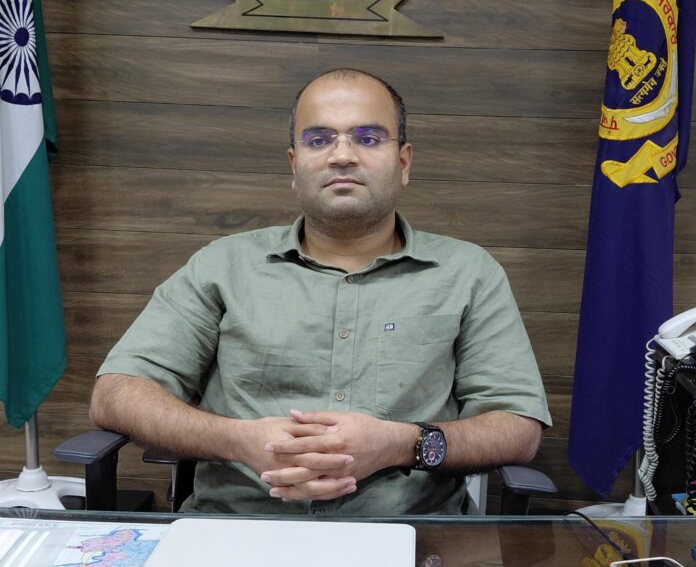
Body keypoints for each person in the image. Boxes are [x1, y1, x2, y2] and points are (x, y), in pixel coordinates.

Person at [90, 68, 552, 515]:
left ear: (404, 162)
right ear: (295, 166)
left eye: (368, 138)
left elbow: (517, 426)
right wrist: (239, 440)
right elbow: (116, 394)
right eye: (319, 139)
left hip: (414, 534)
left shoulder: (468, 273)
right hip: (239, 530)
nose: (342, 155)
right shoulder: (223, 266)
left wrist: (401, 444)